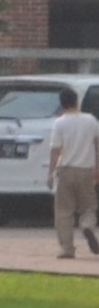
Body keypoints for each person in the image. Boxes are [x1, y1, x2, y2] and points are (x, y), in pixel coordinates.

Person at [53, 92, 99, 263]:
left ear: (62, 103)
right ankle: (87, 225)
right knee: (88, 206)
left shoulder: (59, 123)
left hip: (65, 170)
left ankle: (67, 248)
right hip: (86, 170)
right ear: (76, 101)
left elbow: (55, 150)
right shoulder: (90, 120)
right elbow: (97, 144)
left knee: (63, 210)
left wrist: (50, 172)